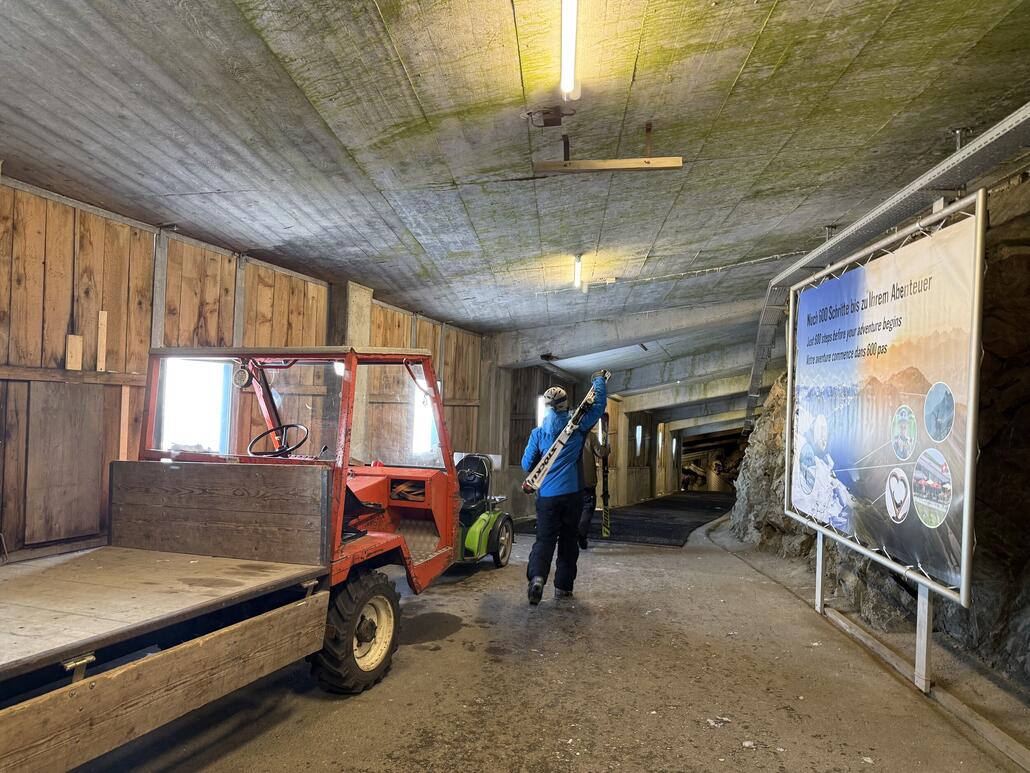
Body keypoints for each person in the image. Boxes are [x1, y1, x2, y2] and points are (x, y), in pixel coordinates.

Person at [521, 373, 607, 605]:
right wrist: (599, 382)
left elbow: (527, 465)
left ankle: (537, 578)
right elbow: (598, 408)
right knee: (568, 540)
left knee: (544, 540)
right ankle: (563, 588)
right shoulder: (577, 427)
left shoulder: (538, 433)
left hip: (547, 497)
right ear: (565, 404)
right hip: (572, 494)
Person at [576, 416, 610, 550]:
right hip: (587, 482)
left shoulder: (567, 436)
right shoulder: (590, 436)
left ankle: (570, 536)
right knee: (587, 509)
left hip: (571, 483)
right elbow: (601, 453)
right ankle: (581, 535)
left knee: (573, 510)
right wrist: (607, 448)